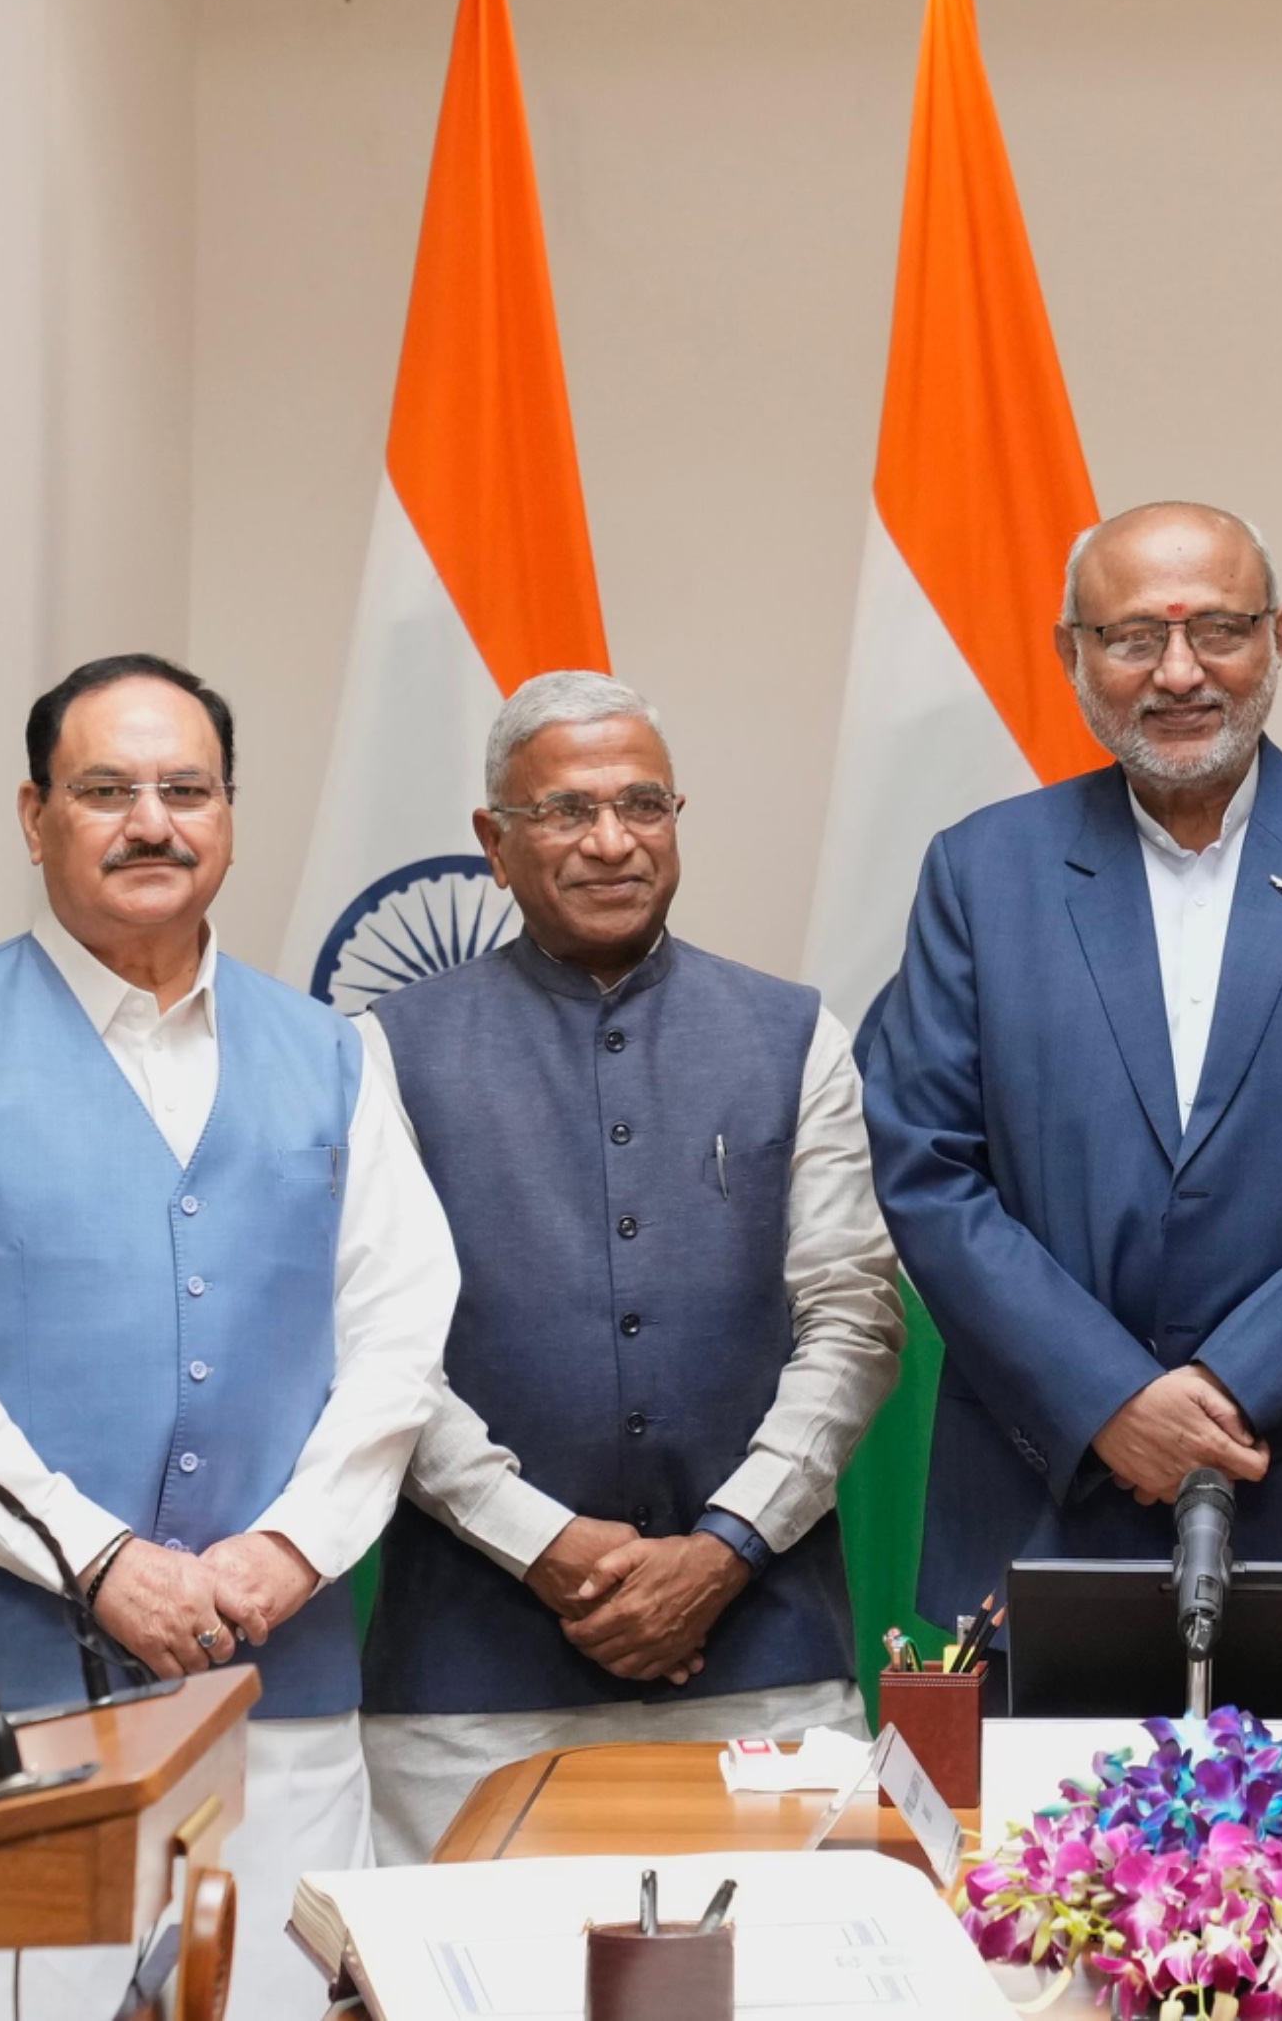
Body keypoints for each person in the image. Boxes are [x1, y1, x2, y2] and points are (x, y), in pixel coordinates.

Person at [0, 655, 459, 2021]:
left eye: (187, 789)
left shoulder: (338, 1055)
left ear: (230, 812)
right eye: (106, 790)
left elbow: (401, 1334)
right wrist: (96, 1558)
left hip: (267, 1697)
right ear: (34, 812)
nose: (150, 822)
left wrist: (284, 1551)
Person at [862, 501, 1282, 1639]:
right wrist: (1108, 1401)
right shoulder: (980, 872)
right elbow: (924, 1168)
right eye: (1132, 637)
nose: (1178, 672)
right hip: (1052, 1497)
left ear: (1276, 636)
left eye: (1217, 628)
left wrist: (1228, 1388)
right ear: (1072, 653)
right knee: (1037, 1828)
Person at [358, 672, 905, 1858]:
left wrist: (724, 1550)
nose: (612, 842)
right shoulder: (382, 1053)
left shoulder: (792, 1031)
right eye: (565, 811)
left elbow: (855, 1321)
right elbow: (374, 1349)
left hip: (763, 1663)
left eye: (643, 806)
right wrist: (543, 1545)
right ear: (491, 842)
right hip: (468, 1678)